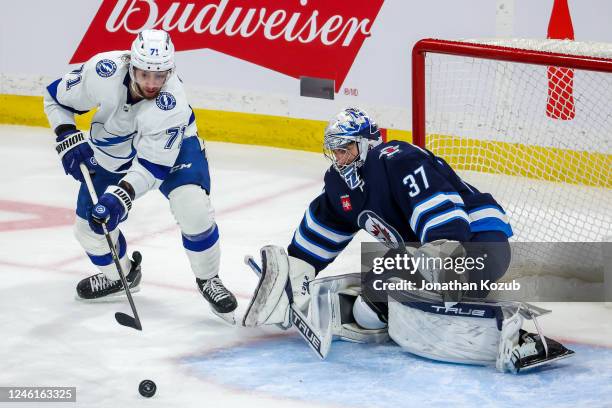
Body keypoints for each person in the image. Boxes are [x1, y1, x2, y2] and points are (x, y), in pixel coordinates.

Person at [242, 107, 573, 372]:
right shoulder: (340, 184)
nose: (340, 158)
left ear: (367, 143)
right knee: (370, 305)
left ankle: (517, 335)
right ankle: (380, 310)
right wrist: (297, 270)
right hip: (425, 251)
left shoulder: (398, 159)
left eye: (346, 149)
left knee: (438, 283)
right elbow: (324, 224)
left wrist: (441, 255)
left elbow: (441, 209)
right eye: (335, 151)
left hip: (478, 236)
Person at [44, 29, 237, 323]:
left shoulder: (173, 103)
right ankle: (121, 276)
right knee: (89, 230)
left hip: (173, 149)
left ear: (170, 71)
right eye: (145, 73)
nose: (151, 83)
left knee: (193, 207)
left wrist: (121, 195)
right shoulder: (103, 70)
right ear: (130, 63)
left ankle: (208, 278)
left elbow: (154, 166)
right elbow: (55, 99)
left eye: (160, 76)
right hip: (114, 146)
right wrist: (67, 133)